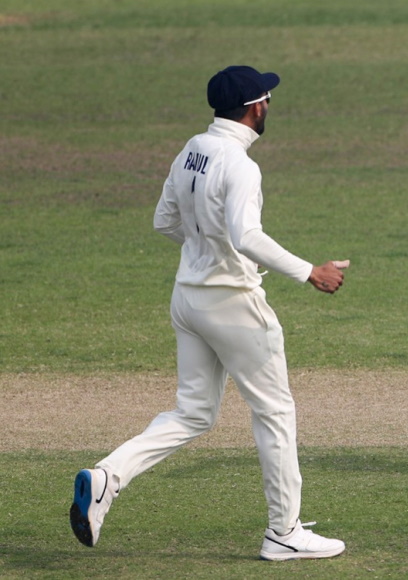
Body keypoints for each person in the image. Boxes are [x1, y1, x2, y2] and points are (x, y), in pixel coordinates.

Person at [70, 65, 348, 560]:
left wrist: (206, 252)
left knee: (193, 413)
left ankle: (108, 475)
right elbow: (247, 237)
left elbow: (164, 221)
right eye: (268, 101)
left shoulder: (193, 148)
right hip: (232, 305)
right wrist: (310, 271)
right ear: (256, 107)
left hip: (188, 300)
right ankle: (283, 532)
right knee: (276, 413)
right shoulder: (241, 165)